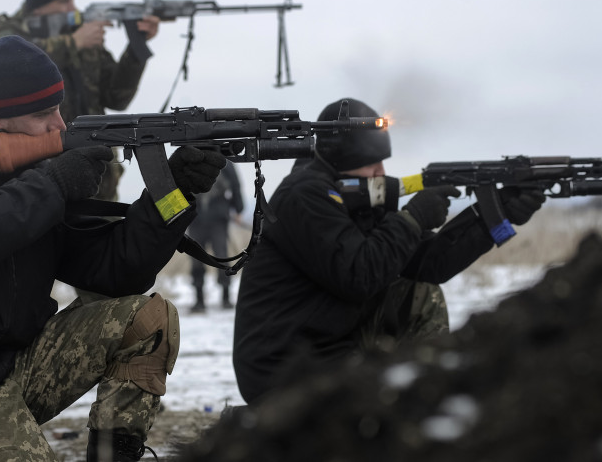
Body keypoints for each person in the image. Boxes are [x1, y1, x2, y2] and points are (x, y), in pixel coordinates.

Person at [0, 35, 225, 461]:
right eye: (43, 114)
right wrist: (54, 182)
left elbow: (116, 271)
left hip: (14, 370)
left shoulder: (35, 172)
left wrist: (174, 191)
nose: (59, 125)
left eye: (59, 108)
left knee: (148, 320)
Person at [232, 98, 545, 405]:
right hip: (281, 371)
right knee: (414, 292)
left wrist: (496, 215)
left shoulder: (353, 197)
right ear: (346, 162)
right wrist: (411, 218)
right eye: (373, 164)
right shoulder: (305, 196)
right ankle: (415, 409)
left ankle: (423, 404)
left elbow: (429, 263)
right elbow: (360, 275)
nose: (382, 172)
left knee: (420, 289)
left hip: (329, 348)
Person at [0, 0, 159, 201]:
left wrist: (135, 47)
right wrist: (73, 44)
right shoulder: (10, 34)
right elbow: (9, 63)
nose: (74, 8)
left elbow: (117, 98)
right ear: (38, 7)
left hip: (100, 180)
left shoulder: (81, 35)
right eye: (64, 1)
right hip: (43, 183)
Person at [186, 162, 245, 312]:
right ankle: (199, 299)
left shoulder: (224, 162)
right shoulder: (188, 160)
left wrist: (238, 209)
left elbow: (235, 185)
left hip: (217, 216)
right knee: (196, 259)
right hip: (196, 216)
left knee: (222, 257)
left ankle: (225, 297)